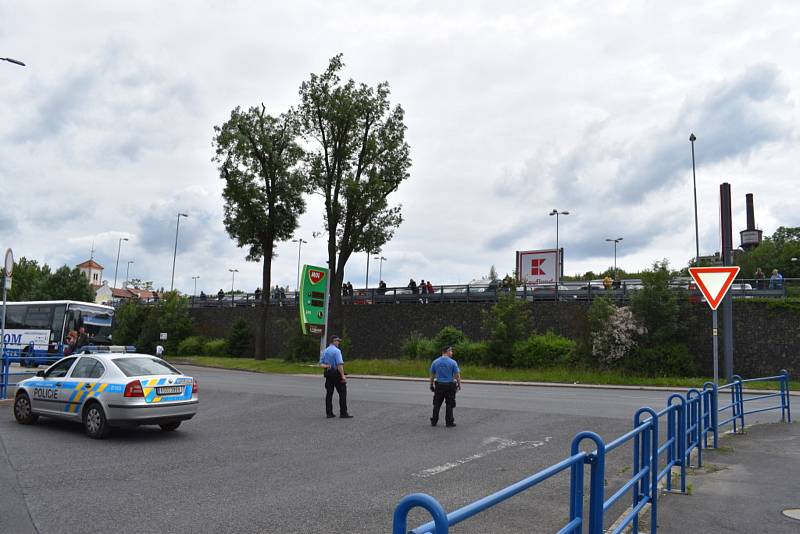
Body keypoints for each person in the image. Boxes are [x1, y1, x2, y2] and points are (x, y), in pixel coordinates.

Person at [319, 335, 352, 419]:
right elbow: (339, 365)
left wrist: (326, 366)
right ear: (333, 341)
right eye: (337, 341)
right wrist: (343, 376)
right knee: (342, 393)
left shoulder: (325, 351)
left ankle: (329, 413)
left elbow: (321, 364)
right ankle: (343, 413)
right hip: (336, 374)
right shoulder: (337, 351)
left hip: (328, 374)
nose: (338, 342)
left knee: (329, 393)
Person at [429, 346, 461, 427]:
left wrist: (431, 384)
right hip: (449, 386)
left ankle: (434, 421)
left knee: (437, 404)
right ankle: (449, 422)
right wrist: (459, 384)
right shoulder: (453, 362)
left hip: (439, 385)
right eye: (451, 351)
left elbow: (432, 374)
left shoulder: (435, 362)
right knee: (449, 404)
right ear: (447, 351)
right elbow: (457, 375)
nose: (452, 353)